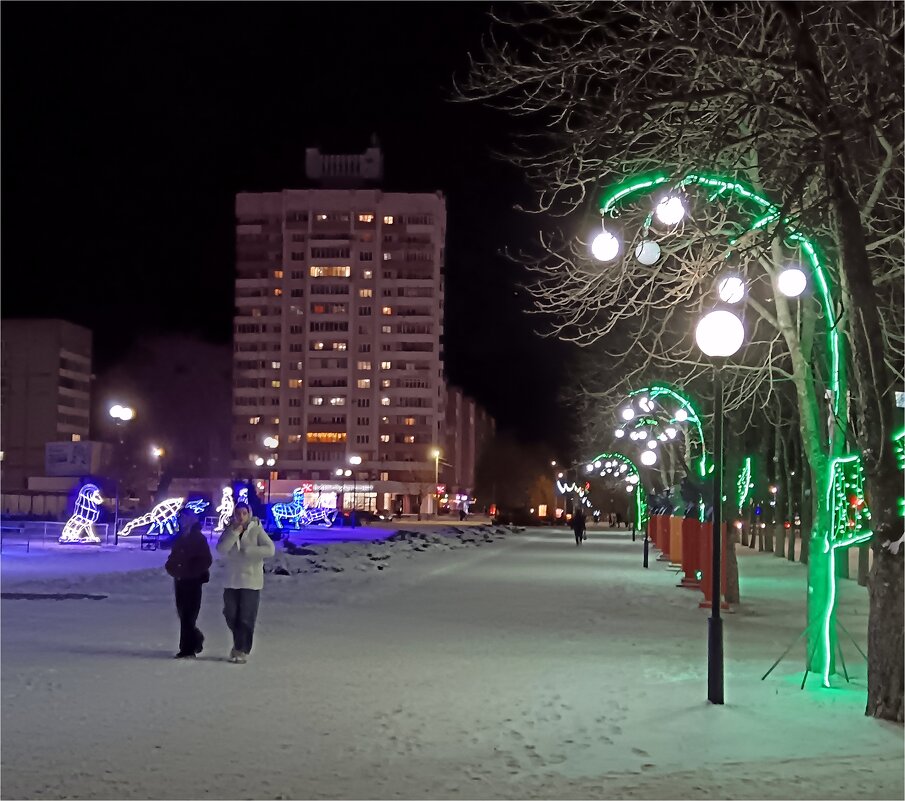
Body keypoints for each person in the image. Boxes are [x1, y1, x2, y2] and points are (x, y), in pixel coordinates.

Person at [216, 502, 275, 663]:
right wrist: (234, 534)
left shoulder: (256, 530)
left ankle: (241, 649)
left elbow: (270, 549)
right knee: (230, 614)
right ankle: (238, 644)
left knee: (246, 617)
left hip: (250, 581)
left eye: (244, 513)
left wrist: (251, 552)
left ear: (249, 514)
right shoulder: (230, 530)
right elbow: (221, 549)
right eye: (238, 513)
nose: (241, 517)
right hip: (231, 580)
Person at [165, 506, 213, 659]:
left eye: (184, 517)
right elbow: (173, 557)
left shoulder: (198, 538)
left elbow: (206, 559)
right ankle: (194, 640)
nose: (181, 520)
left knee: (189, 615)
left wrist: (192, 571)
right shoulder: (179, 537)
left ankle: (187, 648)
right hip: (180, 580)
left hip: (193, 581)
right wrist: (172, 568)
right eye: (180, 518)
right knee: (183, 614)